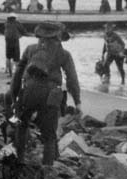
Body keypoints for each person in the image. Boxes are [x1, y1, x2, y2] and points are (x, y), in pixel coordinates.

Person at [6, 22, 81, 167]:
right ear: (58, 36)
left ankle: (19, 162)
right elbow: (72, 79)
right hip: (51, 95)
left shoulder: (30, 49)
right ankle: (47, 169)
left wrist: (15, 97)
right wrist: (77, 102)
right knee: (49, 136)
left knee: (22, 126)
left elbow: (17, 75)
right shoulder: (64, 54)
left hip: (29, 91)